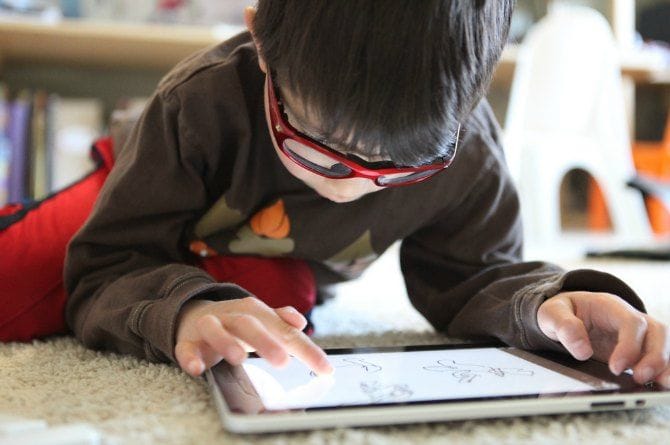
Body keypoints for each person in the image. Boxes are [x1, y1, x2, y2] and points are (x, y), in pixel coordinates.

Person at [60, 0, 669, 386]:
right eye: (314, 143)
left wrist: (548, 308)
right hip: (140, 187)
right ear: (261, 40)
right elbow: (105, 266)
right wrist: (183, 312)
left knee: (279, 304)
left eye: (401, 166)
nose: (347, 186)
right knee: (26, 276)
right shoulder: (196, 105)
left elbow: (474, 277)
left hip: (277, 270)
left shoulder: (467, 150)